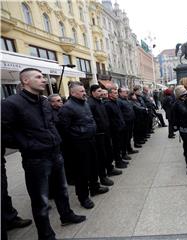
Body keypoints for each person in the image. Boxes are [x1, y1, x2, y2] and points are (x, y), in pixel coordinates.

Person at [1, 68, 86, 240]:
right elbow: (4, 132)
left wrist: (55, 139)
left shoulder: (44, 101)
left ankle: (66, 215)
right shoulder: (11, 103)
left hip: (55, 153)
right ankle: (45, 234)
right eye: (38, 77)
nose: (44, 80)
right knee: (40, 199)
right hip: (36, 159)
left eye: (43, 77)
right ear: (25, 81)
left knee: (62, 190)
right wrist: (27, 144)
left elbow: (51, 124)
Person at [59, 81, 109, 210]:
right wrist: (78, 137)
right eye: (81, 91)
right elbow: (64, 130)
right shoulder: (67, 108)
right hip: (78, 145)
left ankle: (95, 187)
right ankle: (83, 197)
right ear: (73, 93)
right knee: (81, 172)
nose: (84, 93)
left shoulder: (85, 104)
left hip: (91, 140)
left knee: (93, 166)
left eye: (84, 90)